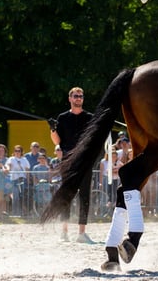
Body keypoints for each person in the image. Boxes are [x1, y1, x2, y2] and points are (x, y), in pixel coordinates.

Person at [49, 86, 95, 243]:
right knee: (66, 194)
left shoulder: (90, 117)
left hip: (84, 161)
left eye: (81, 96)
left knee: (85, 195)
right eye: (75, 96)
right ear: (70, 98)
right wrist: (52, 129)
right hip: (68, 161)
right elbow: (57, 141)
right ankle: (64, 231)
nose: (78, 98)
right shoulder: (62, 118)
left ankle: (82, 233)